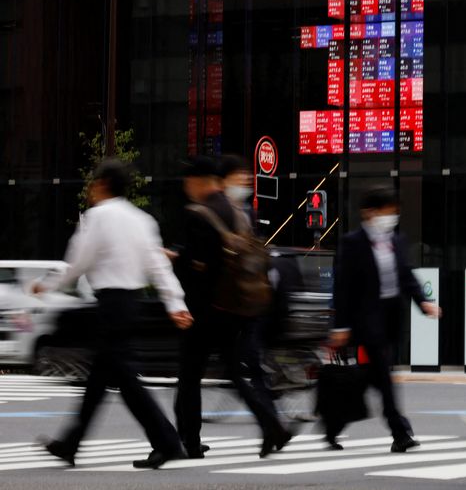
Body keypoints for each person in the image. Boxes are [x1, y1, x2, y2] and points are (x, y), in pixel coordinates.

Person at [34, 159, 193, 469]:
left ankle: (168, 441)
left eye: (93, 184)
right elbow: (158, 267)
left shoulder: (97, 217)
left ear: (102, 184)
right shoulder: (143, 220)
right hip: (132, 304)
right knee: (99, 378)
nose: (91, 190)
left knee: (125, 379)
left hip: (110, 304)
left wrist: (47, 283)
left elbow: (79, 262)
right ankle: (71, 443)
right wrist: (177, 304)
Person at [172, 156, 290, 459]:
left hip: (202, 311)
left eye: (188, 184)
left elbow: (198, 267)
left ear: (198, 182)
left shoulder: (196, 213)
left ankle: (190, 441)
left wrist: (177, 262)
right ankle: (271, 425)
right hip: (235, 308)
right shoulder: (238, 213)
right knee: (236, 375)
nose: (188, 190)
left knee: (189, 376)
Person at [329, 186, 442, 452]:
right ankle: (400, 432)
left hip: (391, 316)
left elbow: (405, 275)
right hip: (366, 319)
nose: (392, 216)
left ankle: (333, 424)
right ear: (369, 212)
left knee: (371, 377)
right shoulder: (353, 242)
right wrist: (341, 326)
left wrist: (423, 302)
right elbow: (343, 287)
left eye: (394, 211)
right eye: (387, 211)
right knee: (384, 374)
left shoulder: (396, 240)